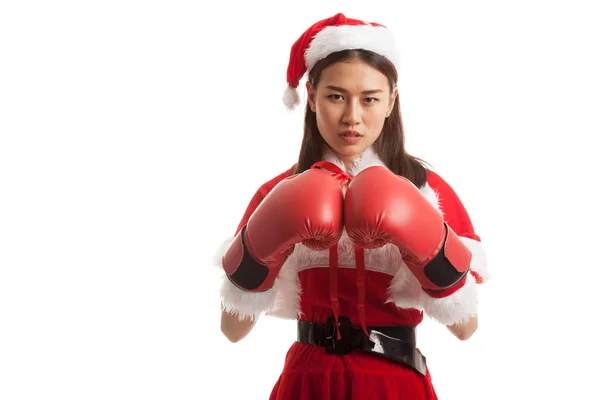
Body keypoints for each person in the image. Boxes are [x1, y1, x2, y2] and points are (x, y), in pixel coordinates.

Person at [214, 12, 489, 400]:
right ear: (311, 97)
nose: (352, 117)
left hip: (395, 383)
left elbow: (466, 327)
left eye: (370, 99)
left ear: (391, 101)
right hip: (306, 381)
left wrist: (423, 246)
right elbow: (232, 329)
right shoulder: (278, 192)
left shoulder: (427, 191)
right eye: (336, 96)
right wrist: (265, 247)